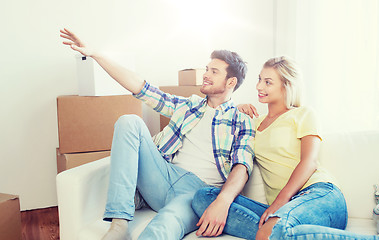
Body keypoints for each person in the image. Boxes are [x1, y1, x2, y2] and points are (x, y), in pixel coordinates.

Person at [60, 28, 255, 240]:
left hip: (197, 193)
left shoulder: (241, 119)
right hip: (162, 175)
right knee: (129, 122)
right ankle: (119, 224)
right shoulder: (189, 105)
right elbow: (140, 87)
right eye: (207, 69)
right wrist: (96, 55)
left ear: (231, 82)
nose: (206, 75)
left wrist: (222, 201)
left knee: (163, 227)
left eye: (214, 72)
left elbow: (242, 167)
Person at [192, 56, 379, 240]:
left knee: (274, 227)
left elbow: (309, 162)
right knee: (204, 197)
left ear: (286, 86)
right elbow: (223, 129)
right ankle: (276, 232)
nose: (259, 86)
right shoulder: (252, 123)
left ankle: (273, 230)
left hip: (319, 195)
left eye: (268, 82)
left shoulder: (303, 114)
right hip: (285, 211)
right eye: (259, 79)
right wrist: (236, 109)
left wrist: (279, 204)